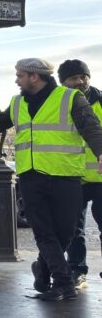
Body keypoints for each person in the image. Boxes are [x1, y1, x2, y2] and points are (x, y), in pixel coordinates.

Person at [0, 58, 102, 300]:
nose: (16, 80)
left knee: (65, 232)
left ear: (34, 76)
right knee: (43, 231)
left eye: (20, 75)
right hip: (30, 177)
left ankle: (42, 267)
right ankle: (63, 282)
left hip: (65, 175)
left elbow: (91, 127)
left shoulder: (70, 98)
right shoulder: (17, 102)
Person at [59, 59, 102, 290]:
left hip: (100, 177)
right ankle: (77, 269)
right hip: (73, 176)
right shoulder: (59, 104)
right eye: (73, 78)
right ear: (63, 82)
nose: (80, 81)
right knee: (74, 230)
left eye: (83, 76)